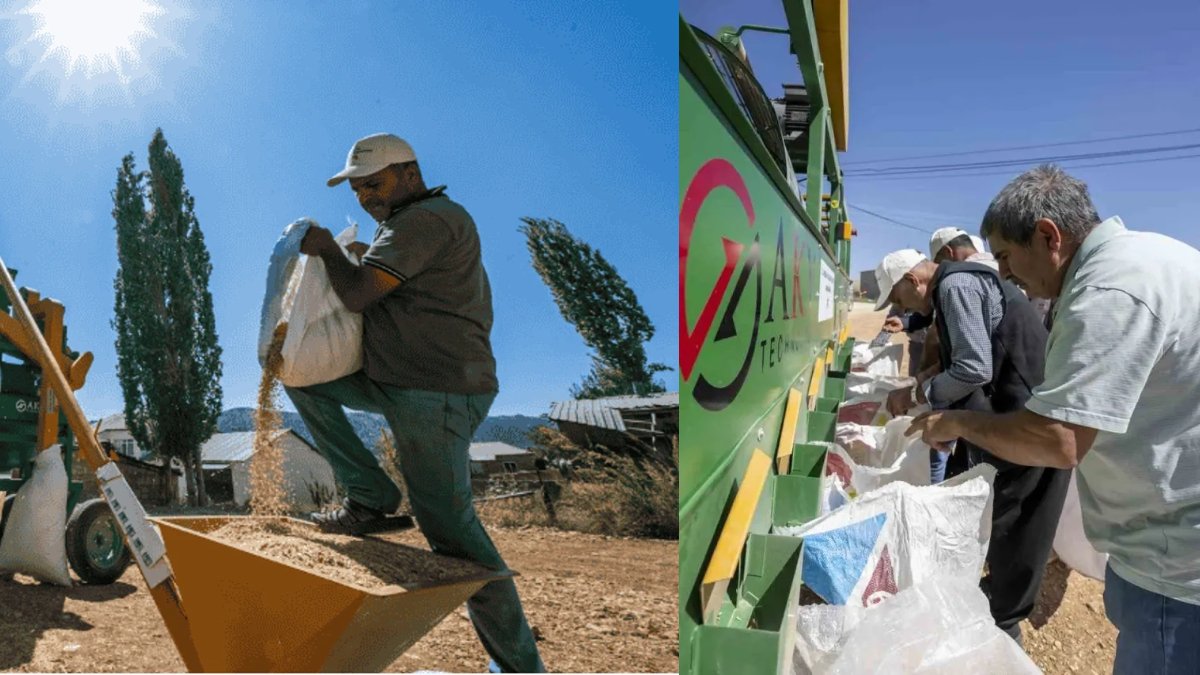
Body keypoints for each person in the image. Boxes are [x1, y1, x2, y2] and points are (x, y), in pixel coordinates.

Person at [908, 164, 1200, 674]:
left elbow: (1059, 438)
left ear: (1047, 236)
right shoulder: (1148, 258)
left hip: (1176, 566)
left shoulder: (1109, 291)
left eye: (1004, 256)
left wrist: (955, 422)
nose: (1002, 273)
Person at [287, 133, 544, 673]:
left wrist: (331, 249)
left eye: (374, 184)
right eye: (357, 189)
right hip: (397, 381)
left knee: (453, 536)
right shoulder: (404, 225)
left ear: (410, 173)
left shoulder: (426, 220)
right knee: (302, 378)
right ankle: (370, 493)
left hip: (439, 390)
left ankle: (521, 667)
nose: (365, 197)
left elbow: (358, 294)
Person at [873, 247, 1069, 646]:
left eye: (897, 297)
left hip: (1029, 422)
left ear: (913, 281)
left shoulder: (956, 286)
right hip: (1013, 417)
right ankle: (994, 611)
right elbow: (963, 359)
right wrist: (920, 390)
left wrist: (923, 395)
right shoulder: (954, 287)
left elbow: (972, 368)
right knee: (1001, 518)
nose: (899, 306)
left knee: (1016, 524)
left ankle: (1002, 634)